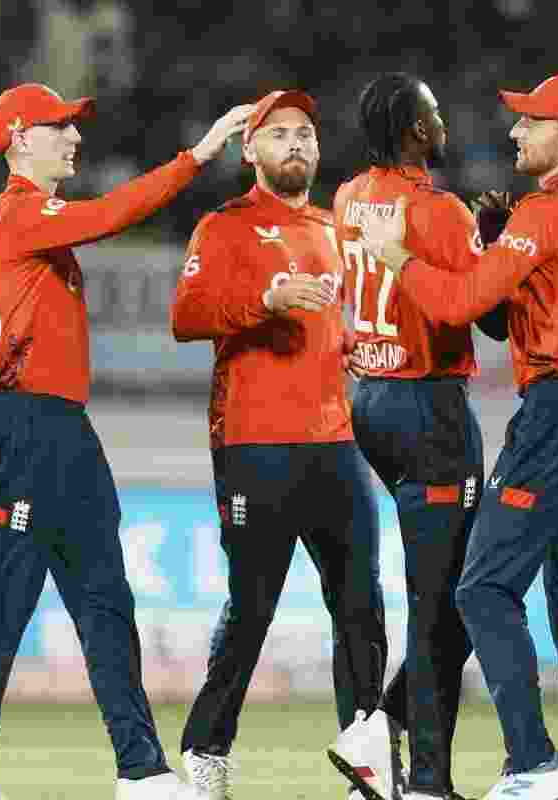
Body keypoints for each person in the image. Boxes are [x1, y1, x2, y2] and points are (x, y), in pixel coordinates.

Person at [0, 82, 252, 800]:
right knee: (3, 603)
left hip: (53, 427)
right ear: (20, 138)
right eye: (60, 126)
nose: (75, 137)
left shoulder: (27, 226)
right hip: (26, 424)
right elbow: (115, 212)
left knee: (105, 600)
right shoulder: (18, 215)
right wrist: (198, 155)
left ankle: (141, 770)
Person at [358, 74, 558, 800]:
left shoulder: (546, 214)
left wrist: (396, 257)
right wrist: (495, 244)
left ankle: (531, 766)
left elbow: (460, 302)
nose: (515, 133)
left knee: (483, 588)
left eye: (532, 122)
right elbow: (537, 302)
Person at [169, 90, 394, 800]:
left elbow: (331, 323)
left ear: (319, 151)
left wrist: (350, 344)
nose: (294, 143)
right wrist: (263, 303)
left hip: (334, 442)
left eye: (305, 133)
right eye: (278, 135)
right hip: (254, 444)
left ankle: (367, 755)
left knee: (361, 600)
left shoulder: (334, 229)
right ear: (250, 151)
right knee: (252, 605)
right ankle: (206, 749)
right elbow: (186, 316)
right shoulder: (225, 227)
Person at [334, 72, 510, 800]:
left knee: (454, 594)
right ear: (414, 129)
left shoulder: (347, 197)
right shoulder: (435, 210)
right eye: (434, 112)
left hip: (367, 400)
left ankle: (383, 733)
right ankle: (424, 780)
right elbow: (488, 317)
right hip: (428, 406)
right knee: (447, 602)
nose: (444, 121)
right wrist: (499, 243)